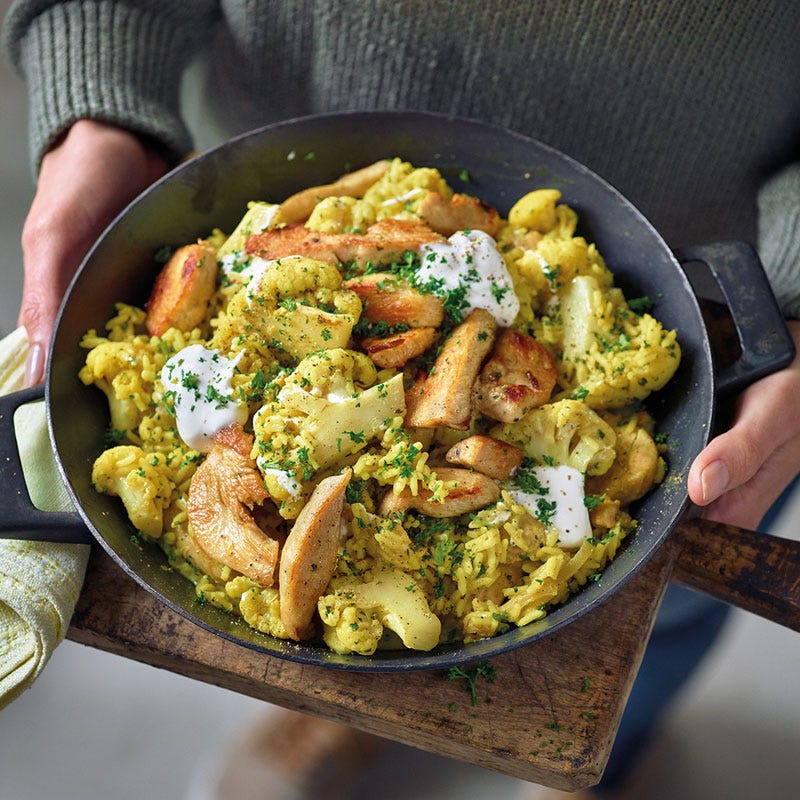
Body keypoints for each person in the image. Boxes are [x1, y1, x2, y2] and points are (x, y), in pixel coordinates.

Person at [3, 2, 799, 797]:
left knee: (666, 613)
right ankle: (335, 718)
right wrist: (100, 113)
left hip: (730, 291)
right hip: (270, 126)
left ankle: (604, 767)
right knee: (338, 656)